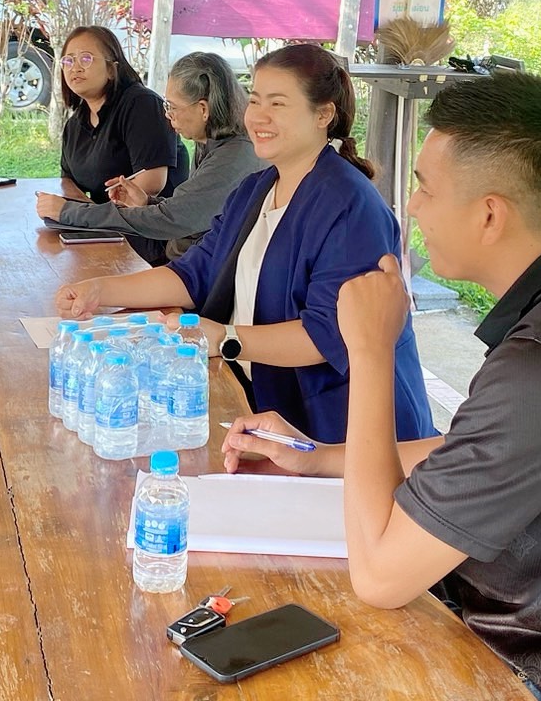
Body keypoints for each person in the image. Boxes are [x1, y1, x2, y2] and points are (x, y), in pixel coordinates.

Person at [222, 71, 541, 700]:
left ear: (490, 214)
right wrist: (318, 457)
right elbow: (485, 450)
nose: (412, 207)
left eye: (425, 188)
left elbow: (381, 577)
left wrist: (371, 351)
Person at [56, 44, 435, 444]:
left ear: (323, 114)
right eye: (254, 100)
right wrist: (99, 290)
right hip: (267, 408)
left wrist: (224, 338)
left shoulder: (350, 206)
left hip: (344, 431)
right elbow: (194, 273)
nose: (259, 116)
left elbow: (330, 333)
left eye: (278, 103)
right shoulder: (256, 189)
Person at [36, 52, 261, 261]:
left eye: (172, 107)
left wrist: (69, 212)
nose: (168, 115)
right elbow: (189, 210)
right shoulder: (212, 143)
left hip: (193, 270)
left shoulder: (234, 158)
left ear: (203, 109)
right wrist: (146, 203)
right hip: (182, 256)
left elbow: (171, 220)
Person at [53, 25, 188, 265]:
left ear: (112, 68)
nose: (75, 67)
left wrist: (87, 214)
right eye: (68, 60)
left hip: (152, 239)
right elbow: (67, 178)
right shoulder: (75, 123)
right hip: (104, 233)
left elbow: (153, 182)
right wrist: (84, 210)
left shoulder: (142, 104)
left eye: (86, 58)